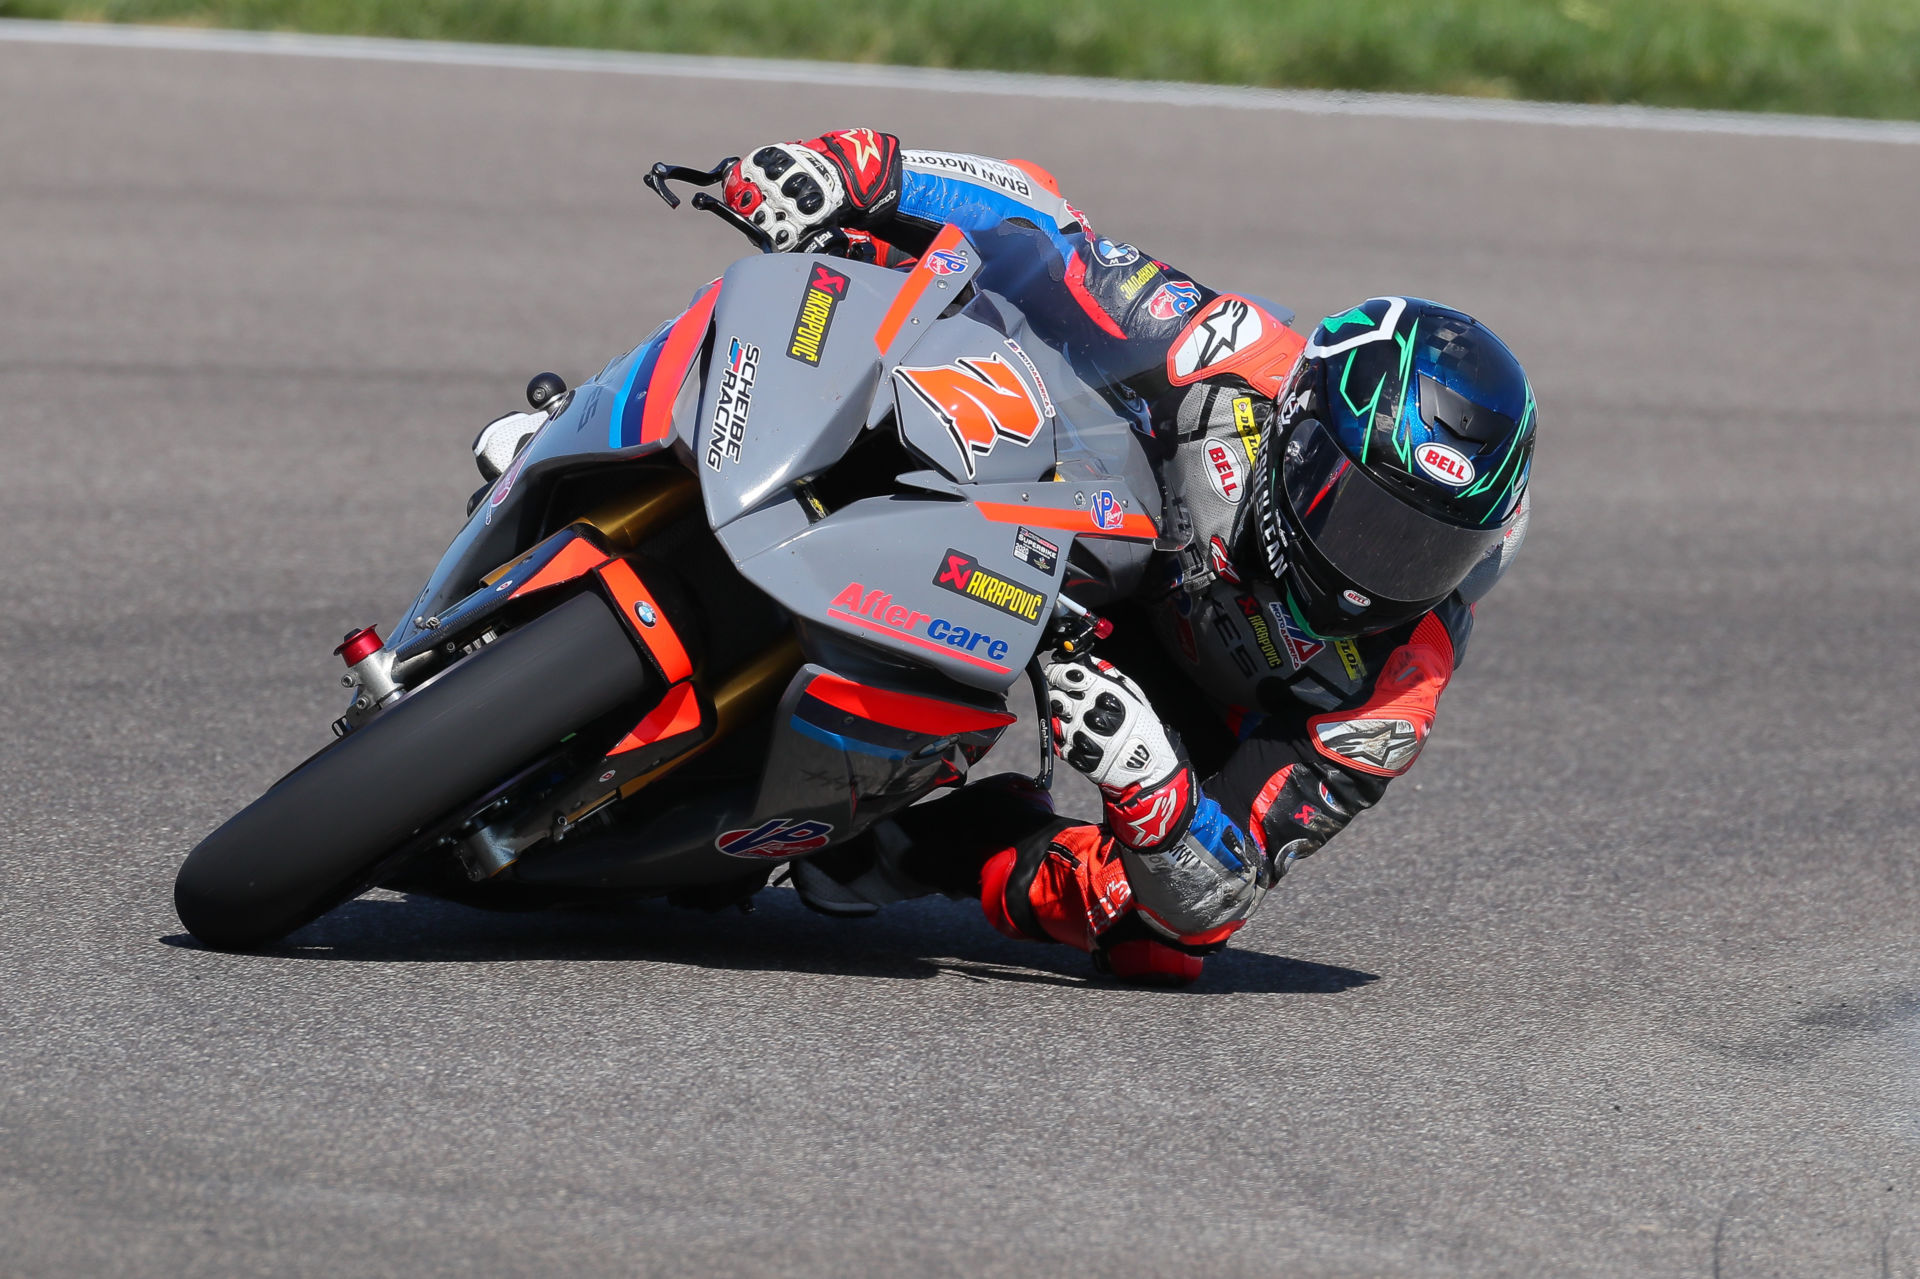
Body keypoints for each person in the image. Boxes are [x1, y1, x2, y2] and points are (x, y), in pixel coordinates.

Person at [478, 130, 1537, 986]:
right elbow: (1039, 222)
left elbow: (1225, 892)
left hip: (1158, 703)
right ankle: (599, 432)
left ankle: (912, 838)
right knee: (859, 277)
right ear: (1299, 429)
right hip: (1070, 517)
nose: (1373, 572)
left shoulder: (1394, 688)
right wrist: (852, 172)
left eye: (1424, 549)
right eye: (1363, 516)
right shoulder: (1228, 354)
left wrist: (1151, 786)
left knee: (1158, 936)